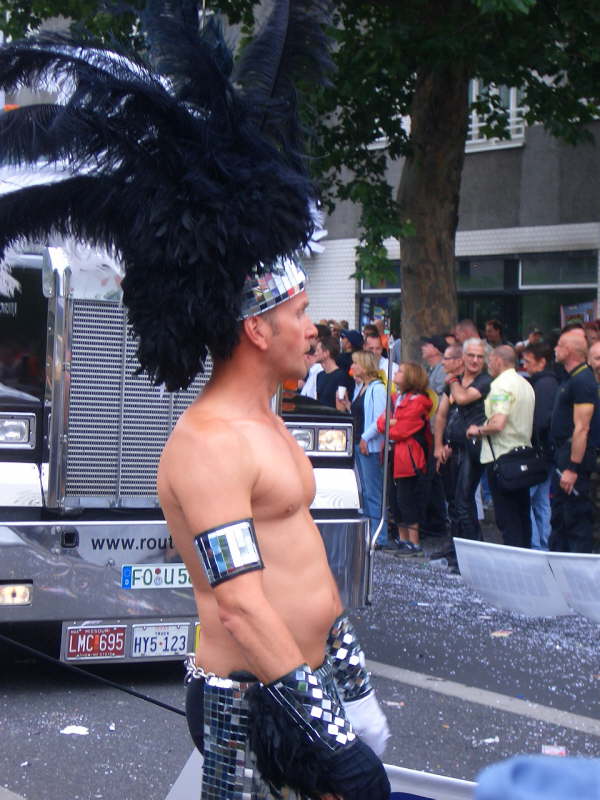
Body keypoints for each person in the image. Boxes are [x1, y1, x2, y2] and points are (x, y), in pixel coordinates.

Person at [0, 3, 392, 796]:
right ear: (254, 330)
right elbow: (243, 608)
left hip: (309, 687)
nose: (311, 328)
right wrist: (332, 737)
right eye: (294, 313)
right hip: (250, 709)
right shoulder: (211, 443)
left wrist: (357, 698)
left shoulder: (267, 422)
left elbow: (306, 568)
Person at [432, 339, 491, 571]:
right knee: (454, 502)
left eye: (479, 356)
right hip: (452, 447)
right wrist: (439, 445)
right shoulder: (454, 383)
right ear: (464, 357)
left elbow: (464, 398)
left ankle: (475, 557)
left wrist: (454, 380)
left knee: (465, 500)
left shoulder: (485, 381)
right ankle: (456, 550)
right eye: (472, 356)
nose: (475, 360)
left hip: (472, 448)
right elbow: (441, 414)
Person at [468, 346, 535, 548]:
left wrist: (476, 430)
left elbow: (498, 423)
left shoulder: (500, 386)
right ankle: (525, 556)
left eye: (489, 359)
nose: (487, 363)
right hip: (524, 456)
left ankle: (515, 566)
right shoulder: (525, 384)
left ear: (498, 360)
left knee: (508, 518)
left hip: (502, 458)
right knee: (523, 515)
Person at [549, 331, 600, 553]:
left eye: (559, 345)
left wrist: (572, 468)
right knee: (560, 518)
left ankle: (580, 579)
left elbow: (582, 428)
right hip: (563, 453)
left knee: (576, 520)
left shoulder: (582, 380)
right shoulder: (571, 378)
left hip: (574, 457)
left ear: (568, 351)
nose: (555, 349)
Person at [378, 363, 432, 556]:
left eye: (400, 371)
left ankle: (414, 542)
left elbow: (401, 430)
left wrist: (391, 423)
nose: (395, 373)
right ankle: (403, 539)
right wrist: (391, 423)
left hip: (409, 456)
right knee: (395, 498)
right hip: (396, 453)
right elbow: (380, 423)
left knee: (406, 498)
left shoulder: (418, 402)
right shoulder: (396, 398)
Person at [336, 351, 387, 543]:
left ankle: (379, 535)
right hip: (360, 442)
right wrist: (348, 405)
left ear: (365, 366)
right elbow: (362, 414)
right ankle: (370, 531)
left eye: (356, 363)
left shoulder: (377, 389)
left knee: (372, 491)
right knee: (364, 490)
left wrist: (366, 437)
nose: (353, 367)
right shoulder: (362, 387)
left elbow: (380, 418)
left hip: (369, 444)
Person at [522, 342, 559, 550]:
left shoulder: (543, 385)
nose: (525, 366)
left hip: (540, 451)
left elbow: (541, 420)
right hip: (547, 451)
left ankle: (537, 545)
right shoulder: (548, 382)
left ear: (542, 362)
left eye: (528, 362)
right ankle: (544, 544)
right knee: (541, 501)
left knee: (530, 499)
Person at [315, 335, 355, 408]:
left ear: (326, 353)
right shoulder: (320, 375)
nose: (315, 353)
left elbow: (341, 406)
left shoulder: (341, 376)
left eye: (318, 350)